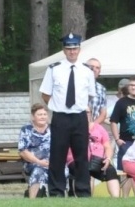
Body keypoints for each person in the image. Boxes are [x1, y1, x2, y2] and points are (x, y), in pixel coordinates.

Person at [39, 32, 96, 197]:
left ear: (79, 50)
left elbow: (90, 94)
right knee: (58, 155)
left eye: (75, 48)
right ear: (64, 50)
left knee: (81, 156)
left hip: (79, 117)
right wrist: (56, 106)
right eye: (69, 48)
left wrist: (80, 108)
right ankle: (56, 191)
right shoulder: (54, 69)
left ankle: (83, 191)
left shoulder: (86, 70)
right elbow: (45, 94)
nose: (72, 51)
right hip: (61, 117)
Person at [82, 116, 123, 197]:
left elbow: (107, 146)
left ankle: (116, 200)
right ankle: (86, 198)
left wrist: (108, 158)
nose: (86, 115)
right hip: (81, 159)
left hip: (98, 159)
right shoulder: (75, 128)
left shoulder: (99, 128)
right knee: (86, 173)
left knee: (111, 170)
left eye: (88, 112)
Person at [17, 104, 53, 198]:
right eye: (39, 114)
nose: (43, 117)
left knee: (63, 170)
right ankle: (32, 200)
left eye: (45, 114)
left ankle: (59, 199)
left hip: (51, 162)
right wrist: (39, 162)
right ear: (33, 116)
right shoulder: (26, 129)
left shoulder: (53, 129)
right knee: (39, 170)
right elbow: (23, 151)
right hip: (32, 162)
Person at [85, 58, 107, 123]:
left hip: (94, 126)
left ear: (99, 71)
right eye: (91, 67)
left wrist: (93, 126)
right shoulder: (76, 85)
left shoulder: (101, 88)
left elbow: (103, 113)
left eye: (97, 68)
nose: (94, 69)